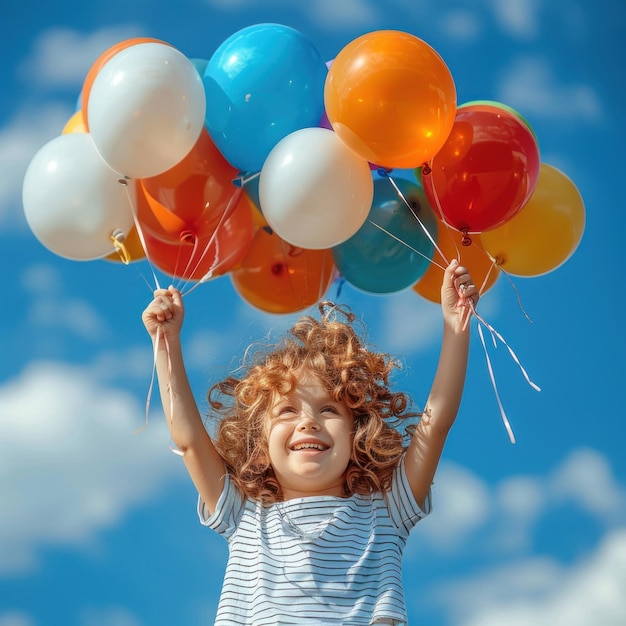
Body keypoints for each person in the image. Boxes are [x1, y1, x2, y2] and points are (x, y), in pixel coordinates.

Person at [142, 259, 479, 625]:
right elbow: (188, 440)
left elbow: (437, 423)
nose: (308, 422)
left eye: (330, 410)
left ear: (358, 432)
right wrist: (166, 343)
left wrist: (456, 323)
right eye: (286, 411)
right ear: (259, 440)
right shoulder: (245, 514)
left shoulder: (386, 510)